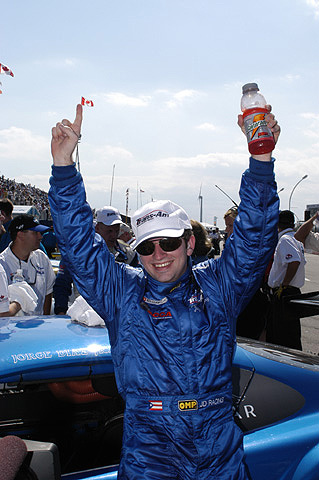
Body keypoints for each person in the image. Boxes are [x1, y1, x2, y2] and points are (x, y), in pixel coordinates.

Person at [48, 103, 280, 479]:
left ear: (189, 244)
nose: (158, 255)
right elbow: (78, 244)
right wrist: (63, 168)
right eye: (146, 246)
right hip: (150, 448)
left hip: (216, 446)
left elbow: (254, 239)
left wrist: (262, 159)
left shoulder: (219, 285)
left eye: (168, 243)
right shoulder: (122, 292)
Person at [53, 208, 138, 315]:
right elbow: (62, 285)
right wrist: (61, 311)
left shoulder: (128, 253)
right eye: (109, 231)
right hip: (85, 315)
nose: (114, 235)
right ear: (97, 228)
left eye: (117, 231)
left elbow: (137, 287)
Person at [0, 214, 56, 315]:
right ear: (20, 234)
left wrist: (45, 321)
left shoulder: (41, 258)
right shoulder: (2, 264)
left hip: (38, 327)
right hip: (12, 328)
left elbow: (48, 292)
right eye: (35, 232)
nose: (40, 236)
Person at [267, 210, 306, 350]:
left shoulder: (285, 239)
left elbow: (294, 261)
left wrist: (284, 285)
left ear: (277, 224)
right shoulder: (295, 238)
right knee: (289, 333)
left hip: (285, 292)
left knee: (283, 336)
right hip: (290, 292)